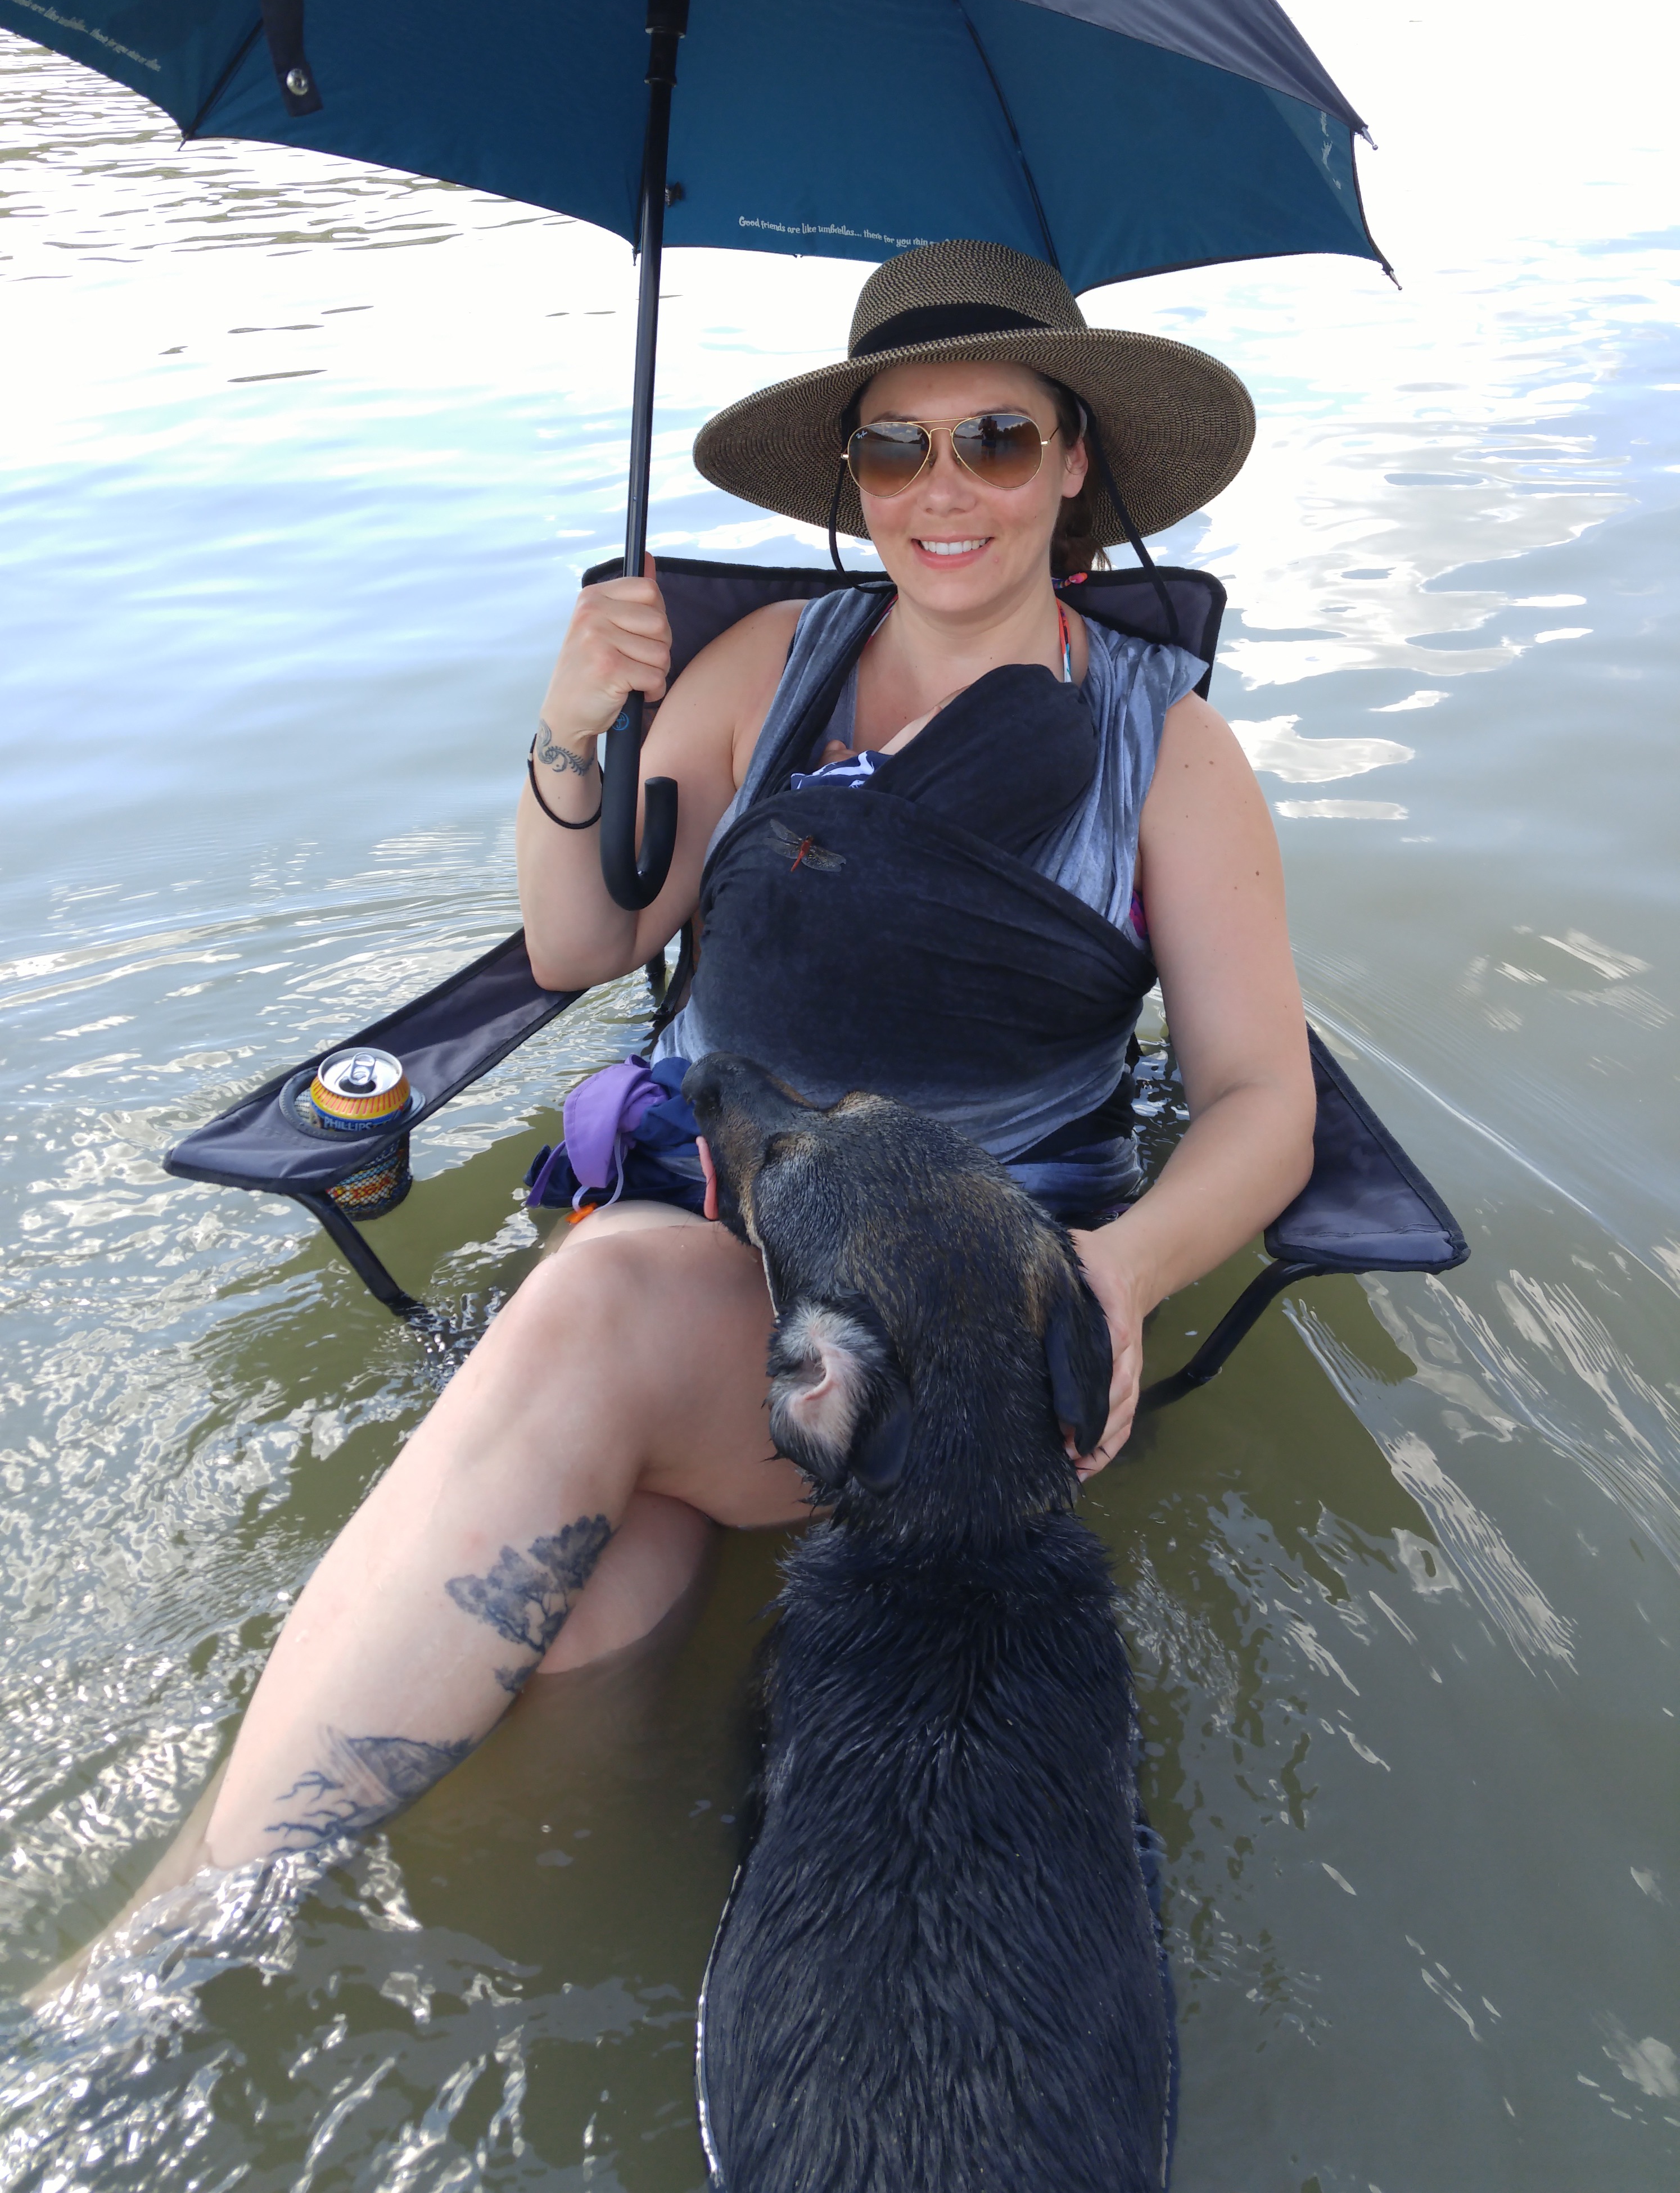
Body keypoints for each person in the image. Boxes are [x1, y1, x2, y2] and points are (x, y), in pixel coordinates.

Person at [111, 241, 1316, 1888]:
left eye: (995, 440)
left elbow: (1262, 1095)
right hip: (704, 1202)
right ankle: (571, 1916)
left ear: (1074, 461)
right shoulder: (766, 670)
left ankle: (187, 1919)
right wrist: (565, 732)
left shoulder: (1165, 750)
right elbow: (577, 952)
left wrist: (1116, 1272)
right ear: (850, 474)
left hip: (943, 1324)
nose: (938, 490)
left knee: (593, 1312)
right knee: (589, 1593)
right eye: (893, 447)